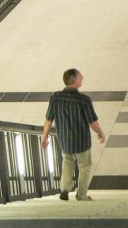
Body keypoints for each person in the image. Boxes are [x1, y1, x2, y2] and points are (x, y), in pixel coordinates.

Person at [41, 69, 105, 201]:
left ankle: (64, 189)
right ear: (75, 81)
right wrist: (100, 133)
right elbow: (92, 122)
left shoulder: (55, 98)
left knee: (67, 162)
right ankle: (81, 195)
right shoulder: (84, 100)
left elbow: (49, 119)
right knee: (84, 166)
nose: (83, 77)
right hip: (82, 141)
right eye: (81, 76)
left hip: (65, 140)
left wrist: (44, 136)